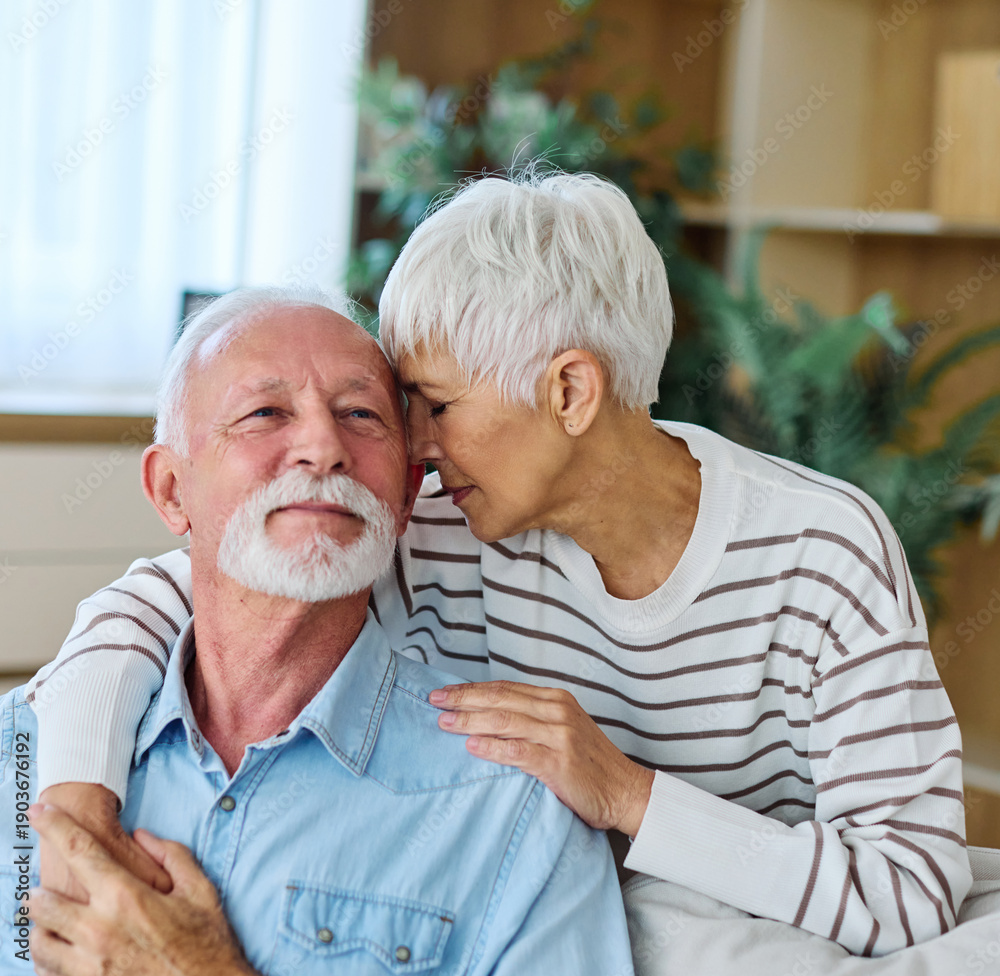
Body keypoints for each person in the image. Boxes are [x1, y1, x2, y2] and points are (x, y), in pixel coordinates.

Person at [29, 171, 970, 962]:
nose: (411, 447)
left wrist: (625, 792)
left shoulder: (822, 551)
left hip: (748, 935)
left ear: (569, 390)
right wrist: (73, 798)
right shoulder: (443, 520)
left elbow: (916, 888)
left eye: (432, 404)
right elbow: (180, 589)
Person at [4, 287, 632, 975]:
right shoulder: (30, 759)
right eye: (264, 412)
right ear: (170, 491)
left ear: (403, 497)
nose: (323, 447)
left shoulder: (517, 813)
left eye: (360, 414)